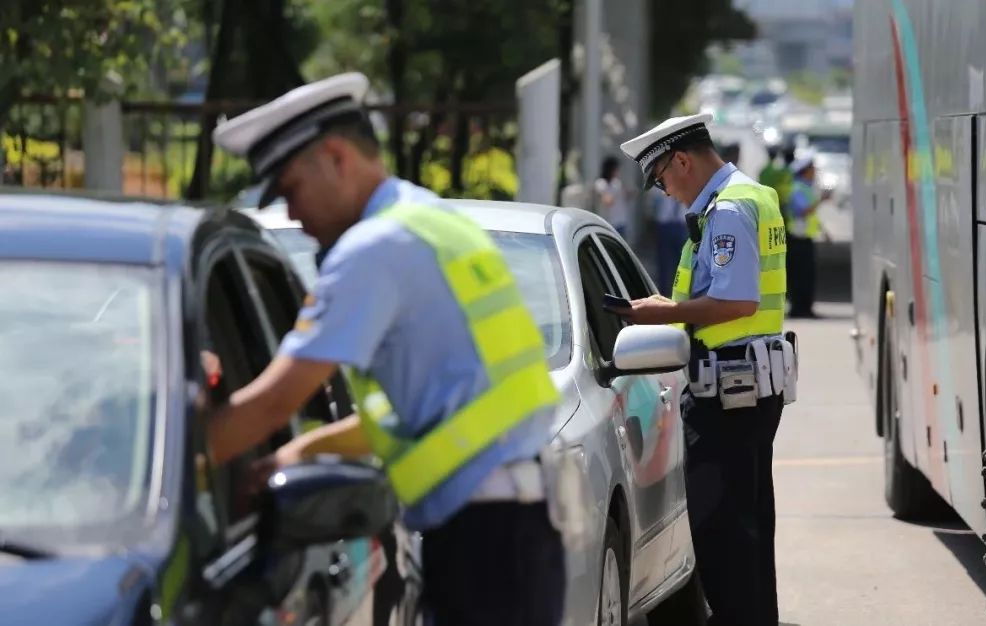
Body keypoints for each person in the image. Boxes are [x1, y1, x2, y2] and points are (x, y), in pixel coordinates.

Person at [207, 72, 565, 626]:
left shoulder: (371, 250)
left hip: (485, 540)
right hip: (509, 528)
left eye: (293, 191)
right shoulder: (428, 218)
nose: (294, 218)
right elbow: (433, 413)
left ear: (335, 157)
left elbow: (274, 403)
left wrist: (172, 459)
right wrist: (300, 453)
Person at [614, 113, 792, 626]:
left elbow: (735, 300)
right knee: (750, 532)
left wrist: (661, 311)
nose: (666, 193)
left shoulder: (729, 209)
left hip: (729, 394)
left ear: (684, 161)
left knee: (724, 537)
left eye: (663, 179)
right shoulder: (752, 195)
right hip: (751, 386)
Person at [785, 154, 829, 319]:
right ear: (805, 171)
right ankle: (798, 309)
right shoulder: (797, 189)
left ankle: (806, 308)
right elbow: (802, 211)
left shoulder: (806, 188)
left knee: (808, 276)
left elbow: (812, 217)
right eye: (812, 169)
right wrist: (821, 200)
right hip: (797, 240)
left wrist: (824, 232)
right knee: (799, 277)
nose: (815, 172)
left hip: (805, 238)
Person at [649, 186, 688, 297]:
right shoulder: (662, 183)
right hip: (664, 225)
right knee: (664, 264)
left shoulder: (687, 183)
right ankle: (663, 295)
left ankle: (679, 297)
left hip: (682, 226)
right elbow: (652, 201)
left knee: (682, 266)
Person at [595, 155, 630, 238]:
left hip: (621, 222)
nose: (617, 172)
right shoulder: (600, 183)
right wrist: (617, 192)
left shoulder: (617, 182)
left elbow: (627, 196)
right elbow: (608, 201)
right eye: (615, 169)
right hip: (608, 224)